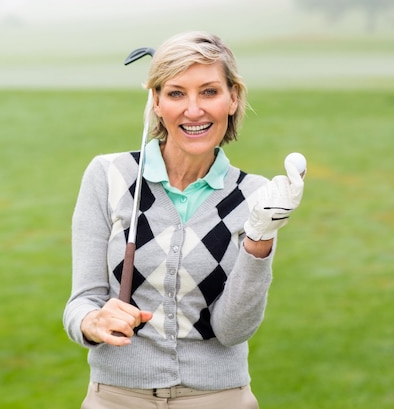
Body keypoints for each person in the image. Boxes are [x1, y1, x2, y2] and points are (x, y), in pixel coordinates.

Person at [63, 31, 305, 409]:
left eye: (209, 92)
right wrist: (91, 321)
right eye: (176, 93)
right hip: (115, 396)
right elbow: (82, 301)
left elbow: (232, 330)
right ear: (156, 102)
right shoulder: (109, 175)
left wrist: (260, 239)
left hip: (220, 397)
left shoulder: (254, 195)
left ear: (233, 98)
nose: (194, 110)